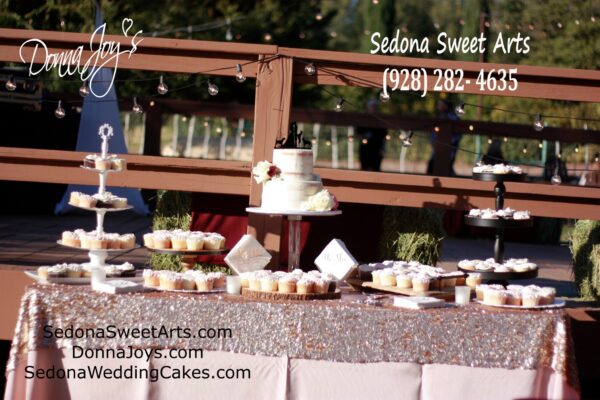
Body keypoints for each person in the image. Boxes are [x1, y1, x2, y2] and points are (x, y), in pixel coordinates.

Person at [427, 99, 461, 176]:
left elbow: (457, 135)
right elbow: (433, 133)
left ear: (446, 106)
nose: (438, 106)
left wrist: (447, 143)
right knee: (433, 167)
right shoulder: (440, 117)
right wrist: (434, 142)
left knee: (446, 169)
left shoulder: (453, 118)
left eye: (440, 104)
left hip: (448, 150)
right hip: (438, 149)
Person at [356, 99, 387, 171]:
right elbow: (358, 132)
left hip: (377, 149)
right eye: (372, 107)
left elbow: (384, 135)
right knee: (364, 167)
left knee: (376, 168)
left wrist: (382, 148)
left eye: (375, 107)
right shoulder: (363, 119)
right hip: (365, 149)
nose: (373, 108)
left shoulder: (380, 120)